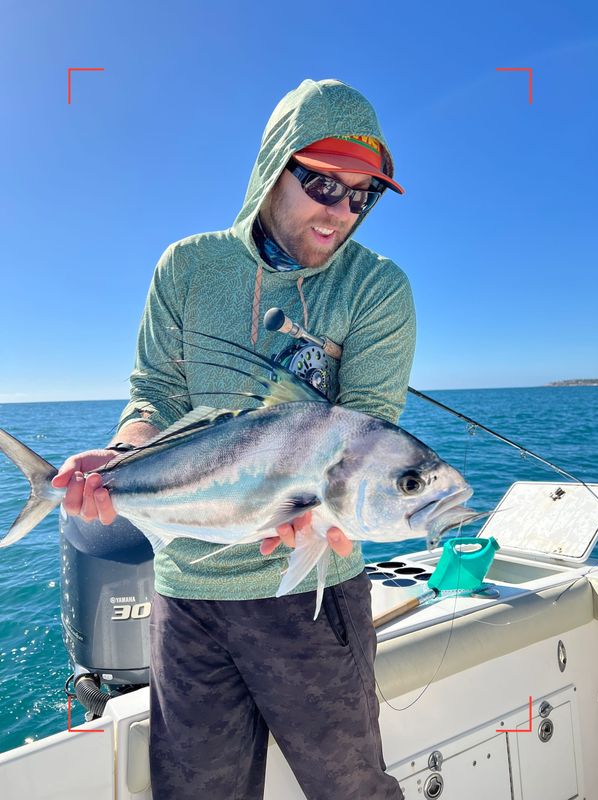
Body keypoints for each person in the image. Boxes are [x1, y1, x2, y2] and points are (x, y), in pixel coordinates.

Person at [52, 78, 416, 799]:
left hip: (311, 597)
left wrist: (327, 519)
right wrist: (124, 456)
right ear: (273, 166)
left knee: (353, 790)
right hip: (186, 592)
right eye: (322, 184)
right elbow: (153, 393)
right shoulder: (187, 269)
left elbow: (368, 425)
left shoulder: (376, 290)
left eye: (362, 195)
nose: (342, 212)